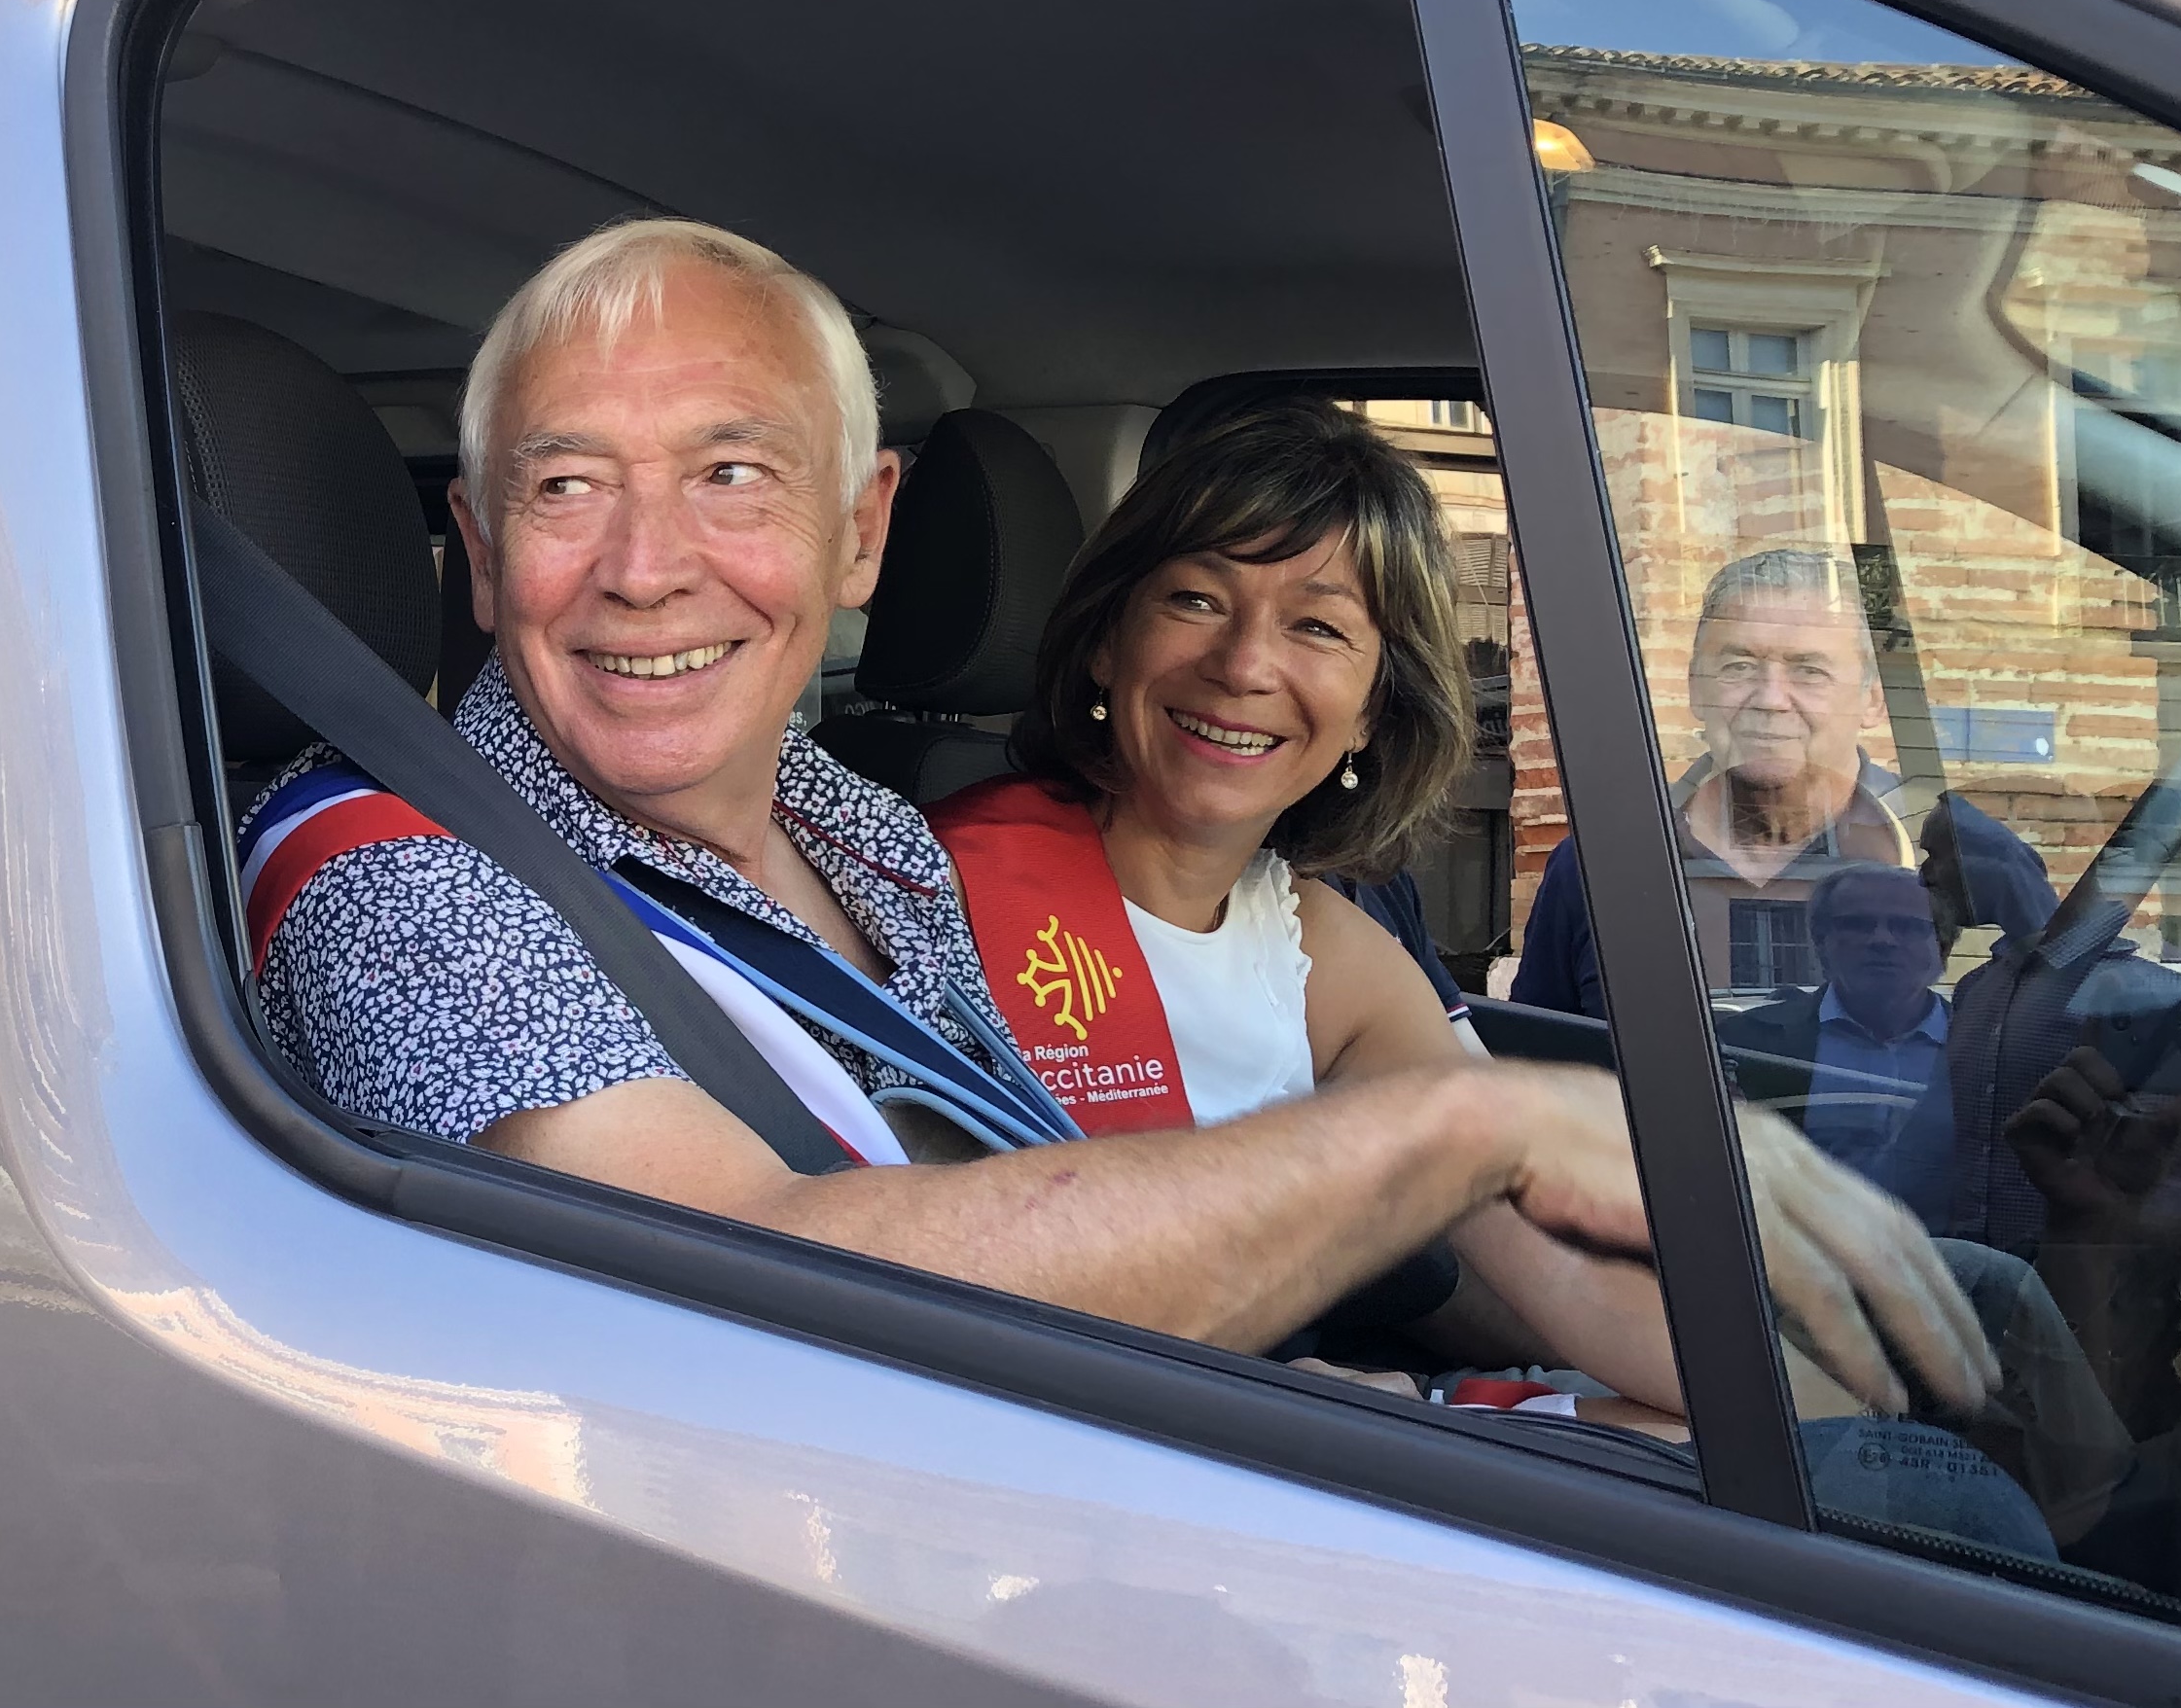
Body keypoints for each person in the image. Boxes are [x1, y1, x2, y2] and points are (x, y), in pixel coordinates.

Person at [246, 215, 1992, 1413]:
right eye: (565, 489)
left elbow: (1001, 1198)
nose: (641, 568)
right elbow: (765, 1303)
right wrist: (1455, 1136)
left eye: (730, 477)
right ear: (477, 557)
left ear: (860, 536)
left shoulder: (856, 830)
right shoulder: (392, 875)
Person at [923, 401, 1971, 1419]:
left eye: (1319, 626)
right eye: (1195, 599)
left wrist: (1846, 1430)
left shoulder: (1319, 950)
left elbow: (1558, 1268)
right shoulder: (929, 891)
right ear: (1108, 641)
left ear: (1377, 708)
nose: (1244, 665)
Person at [1512, 548, 2051, 1017]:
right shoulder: (1604, 866)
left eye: (1808, 670)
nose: (1770, 698)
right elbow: (1539, 1077)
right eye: (1739, 666)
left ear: (1872, 700)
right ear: (1696, 689)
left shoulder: (1963, 857)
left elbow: (2038, 1048)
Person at [1716, 862, 1958, 1228]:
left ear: (1942, 947)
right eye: (1858, 924)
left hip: (1958, 1264)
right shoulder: (1745, 1043)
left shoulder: (1985, 1042)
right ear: (1820, 943)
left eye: (1906, 926)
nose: (1882, 940)